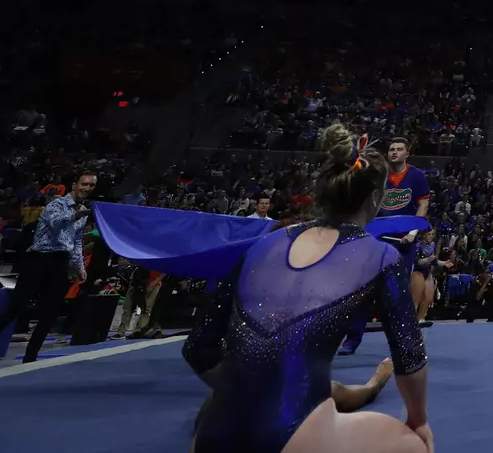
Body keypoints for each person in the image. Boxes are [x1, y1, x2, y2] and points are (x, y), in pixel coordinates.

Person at [182, 125, 429, 453]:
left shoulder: (262, 244)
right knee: (413, 444)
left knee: (313, 383)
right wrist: (419, 420)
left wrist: (249, 392)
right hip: (293, 434)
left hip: (211, 433)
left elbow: (198, 347)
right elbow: (409, 356)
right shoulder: (381, 255)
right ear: (374, 198)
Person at [0, 170, 97, 373]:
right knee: (13, 310)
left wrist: (79, 266)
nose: (87, 188)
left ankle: (30, 360)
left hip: (60, 263)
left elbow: (76, 240)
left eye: (91, 185)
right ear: (75, 184)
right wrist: (77, 214)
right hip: (38, 260)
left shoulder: (83, 211)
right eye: (84, 184)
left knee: (49, 314)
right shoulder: (57, 204)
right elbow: (55, 224)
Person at [338, 137, 430, 355]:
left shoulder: (417, 176)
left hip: (404, 242)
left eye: (399, 149)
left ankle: (403, 342)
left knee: (398, 293)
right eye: (391, 149)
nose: (394, 152)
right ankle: (352, 339)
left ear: (407, 153)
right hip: (377, 238)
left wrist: (412, 232)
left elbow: (423, 205)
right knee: (364, 288)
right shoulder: (379, 174)